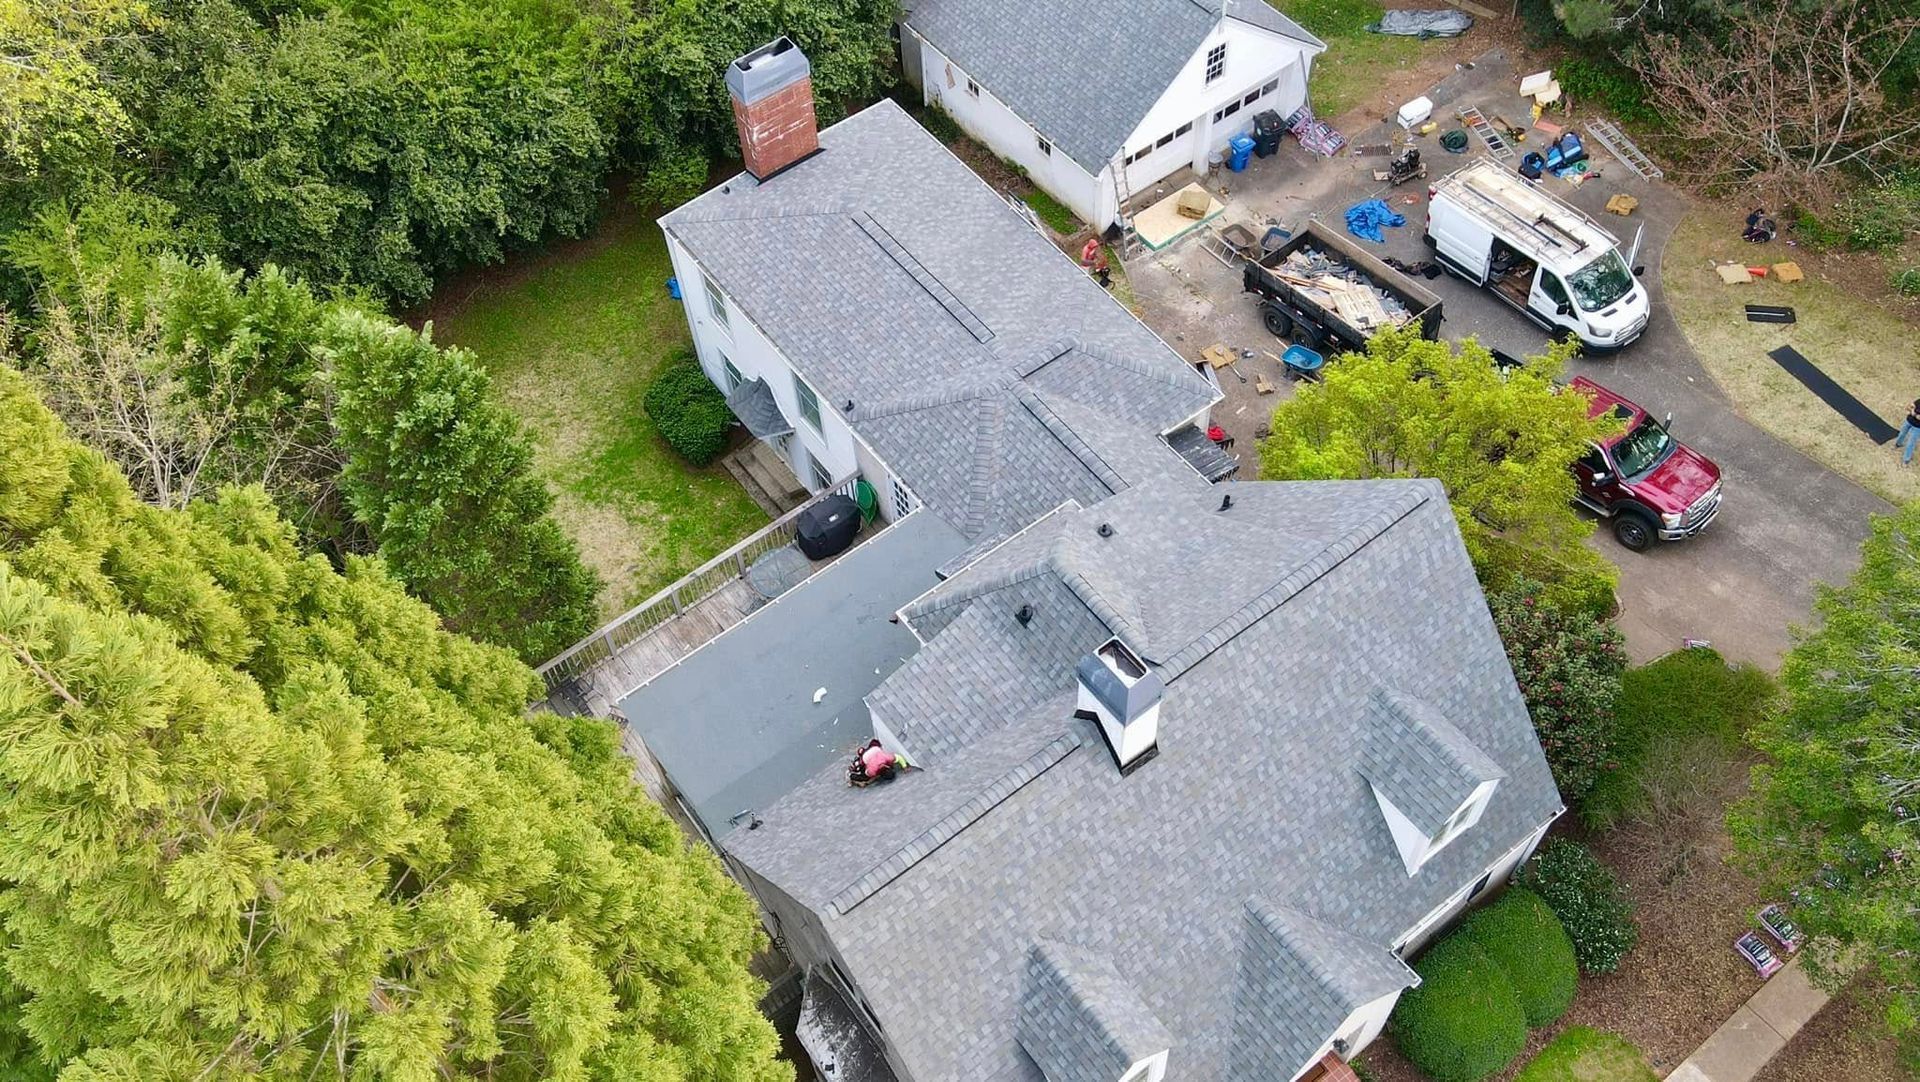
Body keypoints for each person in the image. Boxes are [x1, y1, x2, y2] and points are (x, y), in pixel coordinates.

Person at [1898, 398, 1920, 466]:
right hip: (1909, 421)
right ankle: (1898, 444)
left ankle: (1906, 460)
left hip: (1917, 428)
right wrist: (1912, 410)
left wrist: (1914, 414)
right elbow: (1910, 406)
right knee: (1901, 433)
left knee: (1911, 442)